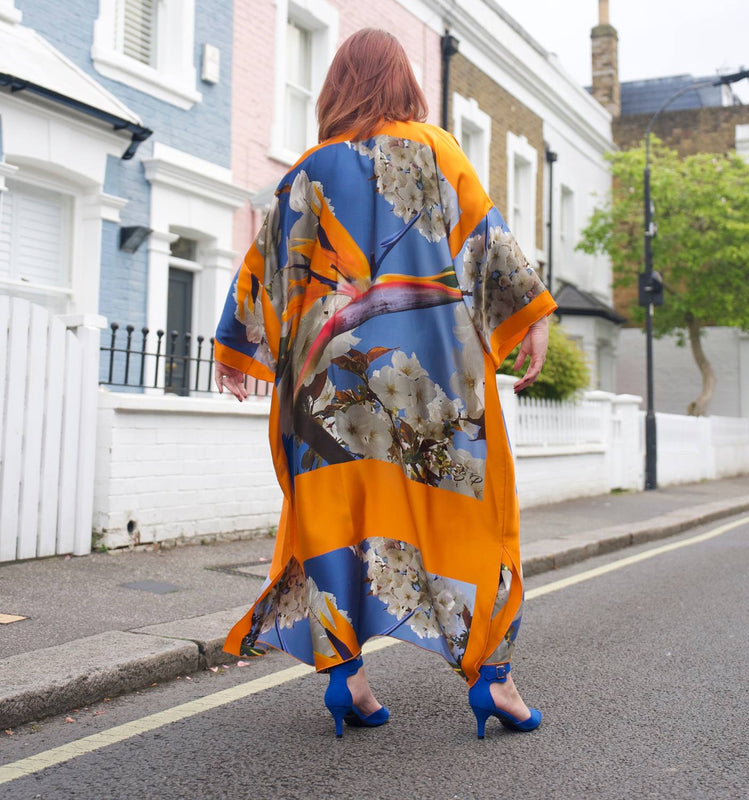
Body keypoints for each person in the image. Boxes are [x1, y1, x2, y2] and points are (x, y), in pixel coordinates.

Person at [214, 28, 556, 739]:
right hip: (429, 400)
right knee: (471, 518)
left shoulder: (307, 170)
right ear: (406, 84)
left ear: (337, 88)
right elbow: (486, 246)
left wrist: (237, 351)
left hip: (327, 403)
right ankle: (494, 681)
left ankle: (348, 681)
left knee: (334, 521)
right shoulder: (436, 152)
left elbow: (266, 265)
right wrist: (533, 318)